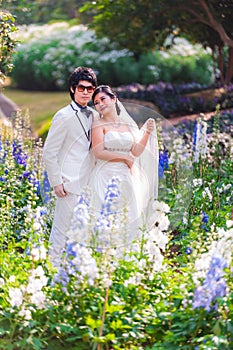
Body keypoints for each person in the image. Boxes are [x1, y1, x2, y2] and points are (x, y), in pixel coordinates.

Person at [88, 85, 158, 247]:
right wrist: (123, 157)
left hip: (125, 176)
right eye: (96, 102)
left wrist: (147, 133)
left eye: (103, 99)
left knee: (128, 216)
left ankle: (127, 256)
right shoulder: (98, 124)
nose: (100, 104)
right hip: (104, 175)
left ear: (113, 99)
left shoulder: (127, 125)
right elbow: (98, 151)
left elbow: (136, 150)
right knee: (108, 215)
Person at [42, 66, 98, 266]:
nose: (85, 92)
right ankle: (52, 272)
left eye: (90, 89)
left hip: (90, 184)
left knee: (84, 233)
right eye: (81, 88)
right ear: (73, 89)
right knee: (61, 231)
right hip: (68, 184)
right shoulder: (63, 116)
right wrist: (57, 182)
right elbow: (49, 152)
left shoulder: (94, 115)